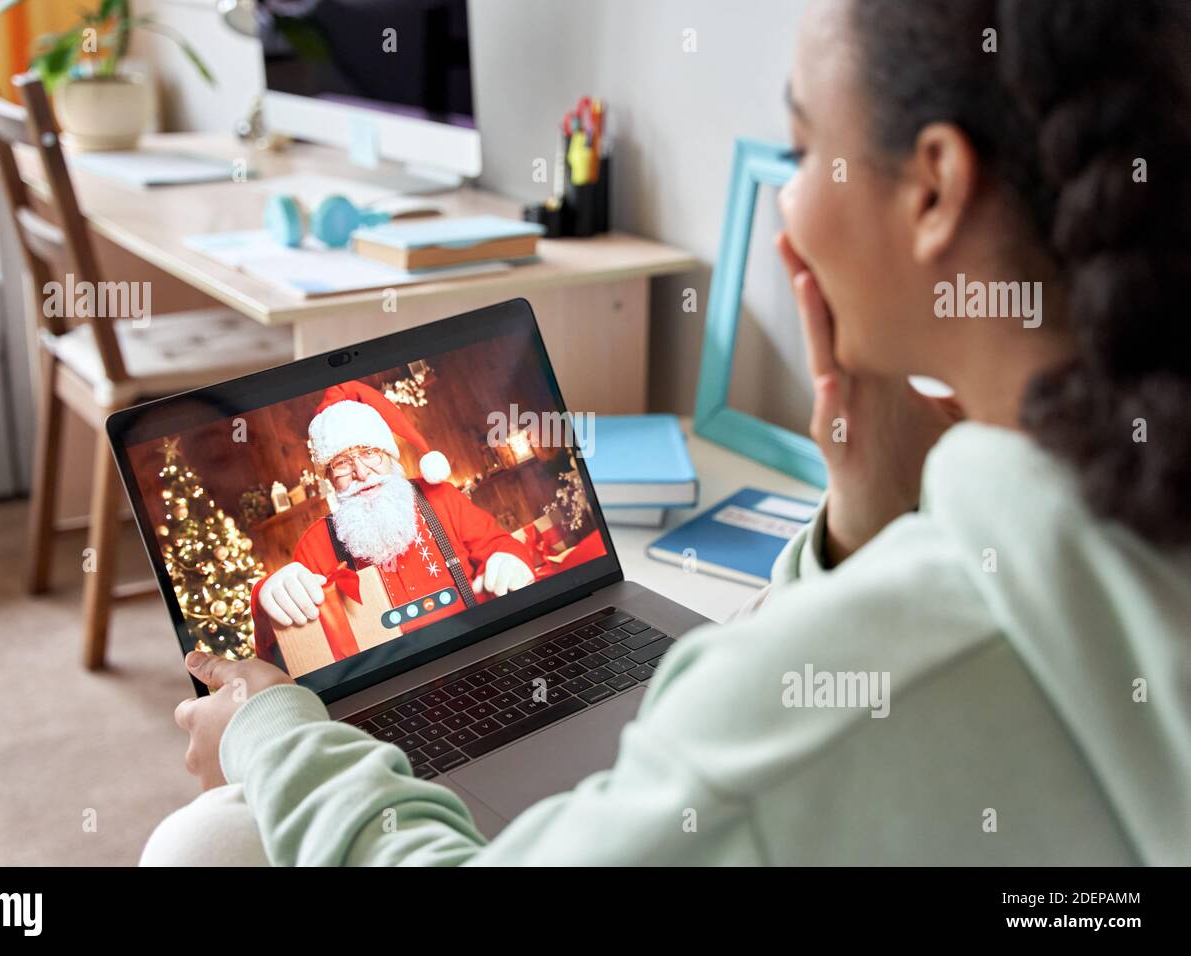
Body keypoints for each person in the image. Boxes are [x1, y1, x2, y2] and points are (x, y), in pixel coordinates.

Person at [144, 0, 1191, 865]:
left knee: (199, 848)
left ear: (933, 188)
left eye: (803, 146)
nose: (788, 202)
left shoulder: (807, 714)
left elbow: (799, 715)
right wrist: (858, 531)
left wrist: (272, 734)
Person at [251, 381, 535, 668]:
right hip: (388, 686)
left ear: (389, 455)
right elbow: (284, 652)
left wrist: (511, 557)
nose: (361, 472)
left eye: (369, 453)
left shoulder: (442, 498)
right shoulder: (316, 544)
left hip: (481, 655)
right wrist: (266, 599)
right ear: (328, 476)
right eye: (341, 463)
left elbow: (500, 545)